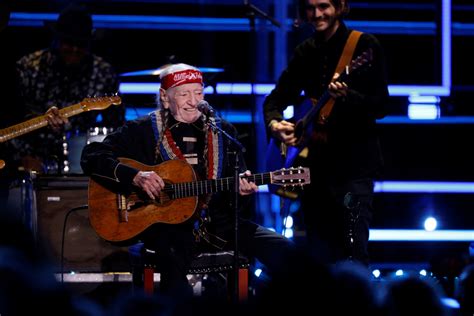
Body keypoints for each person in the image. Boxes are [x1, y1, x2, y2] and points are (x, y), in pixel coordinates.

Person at [80, 63, 297, 296]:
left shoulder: (223, 132)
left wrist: (241, 192)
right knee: (173, 263)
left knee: (287, 253)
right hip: (167, 229)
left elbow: (236, 200)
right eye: (184, 94)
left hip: (218, 226)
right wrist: (135, 176)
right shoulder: (142, 130)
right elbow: (91, 156)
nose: (193, 101)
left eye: (198, 93)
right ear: (165, 98)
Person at [263, 0, 389, 266]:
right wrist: (275, 125)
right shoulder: (305, 51)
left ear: (340, 6)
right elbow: (274, 100)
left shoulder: (364, 46)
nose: (317, 14)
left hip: (353, 168)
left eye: (324, 6)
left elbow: (381, 105)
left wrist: (349, 95)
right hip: (313, 168)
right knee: (318, 251)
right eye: (310, 7)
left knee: (353, 250)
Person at [15, 4, 125, 174]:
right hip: (28, 158)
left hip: (79, 161)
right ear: (56, 40)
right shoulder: (29, 67)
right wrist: (20, 157)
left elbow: (115, 127)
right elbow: (12, 117)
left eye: (80, 44)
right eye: (68, 42)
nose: (74, 49)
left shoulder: (103, 72)